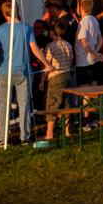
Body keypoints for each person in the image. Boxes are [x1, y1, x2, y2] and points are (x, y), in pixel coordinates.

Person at [0, 1, 35, 147]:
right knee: (24, 104)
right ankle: (24, 137)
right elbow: (34, 49)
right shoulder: (26, 28)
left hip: (4, 71)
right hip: (22, 71)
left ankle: (2, 138)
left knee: (4, 106)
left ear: (5, 14)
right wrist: (47, 64)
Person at [32, 19, 74, 150]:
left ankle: (49, 133)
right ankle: (67, 131)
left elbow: (46, 66)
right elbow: (70, 60)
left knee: (52, 103)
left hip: (56, 77)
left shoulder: (51, 46)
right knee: (65, 103)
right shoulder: (68, 44)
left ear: (53, 32)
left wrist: (41, 81)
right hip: (67, 75)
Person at [73, 0, 103, 90]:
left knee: (85, 91)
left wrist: (96, 54)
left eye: (77, 6)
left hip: (83, 62)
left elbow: (85, 45)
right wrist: (96, 52)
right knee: (94, 88)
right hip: (93, 61)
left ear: (81, 8)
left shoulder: (83, 23)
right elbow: (100, 39)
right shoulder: (94, 19)